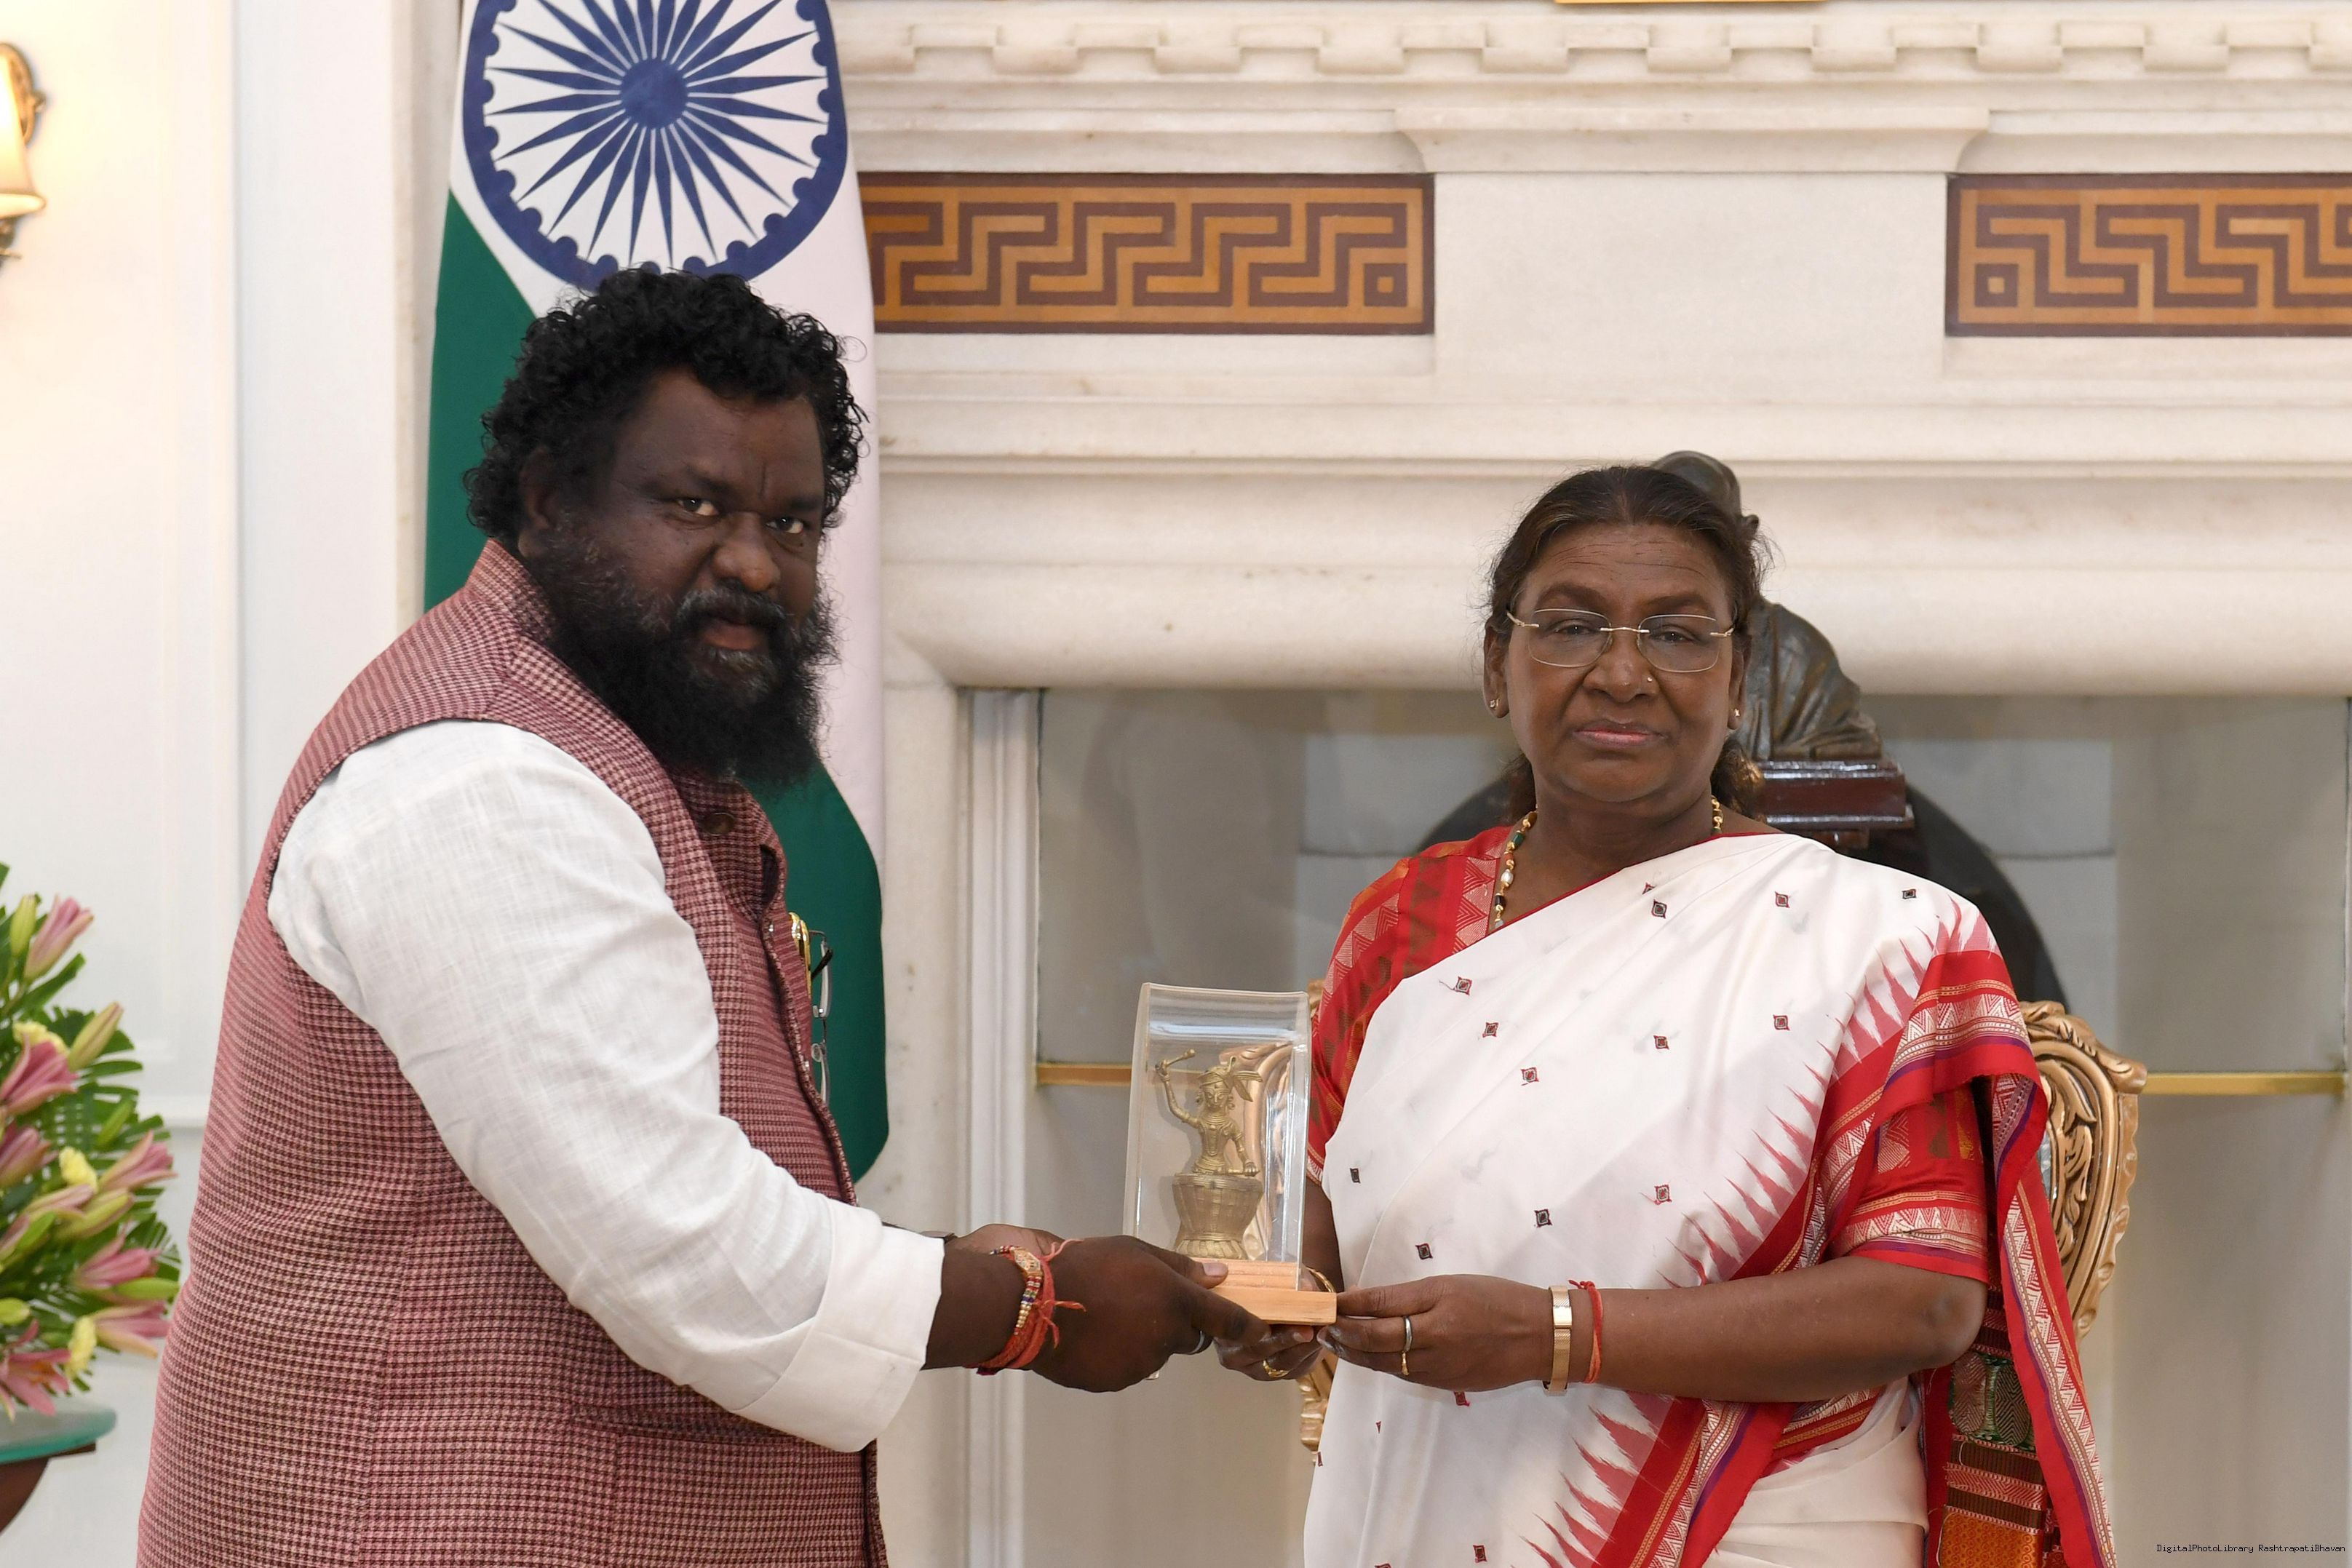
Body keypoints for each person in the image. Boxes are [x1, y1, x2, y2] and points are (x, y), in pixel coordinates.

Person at [140, 270, 1257, 1567]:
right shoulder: (481, 779)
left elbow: (644, 1177)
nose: (755, 563)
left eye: (794, 521)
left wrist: (966, 1268)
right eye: (695, 505)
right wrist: (1031, 1308)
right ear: (549, 498)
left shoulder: (613, 749)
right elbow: (683, 1245)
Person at [1223, 466, 2113, 1568]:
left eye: (1679, 635)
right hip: (1416, 1510)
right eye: (1570, 626)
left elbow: (1923, 1303)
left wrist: (1555, 1335)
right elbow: (1322, 1225)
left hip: (1764, 1528)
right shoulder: (1402, 923)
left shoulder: (1885, 941)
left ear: (1738, 679)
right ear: (1498, 664)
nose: (1622, 672)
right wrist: (1269, 1304)